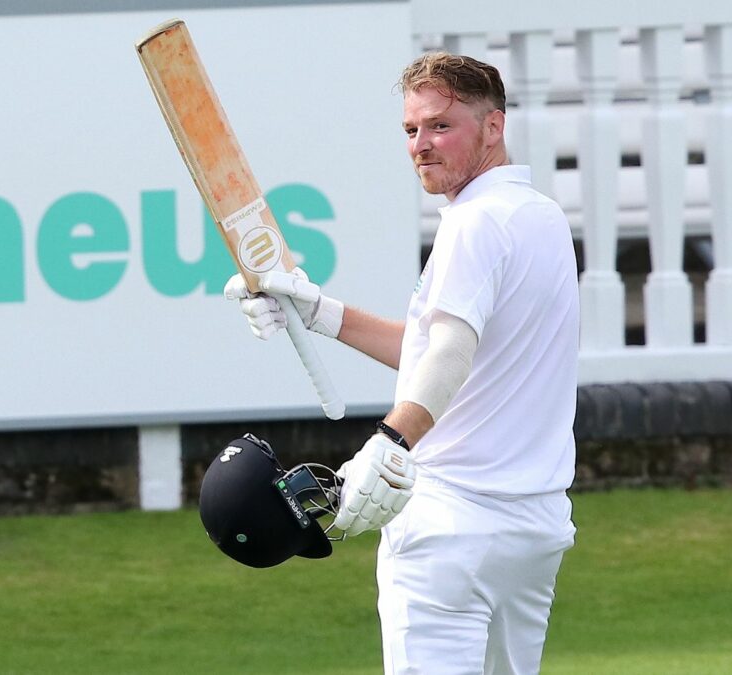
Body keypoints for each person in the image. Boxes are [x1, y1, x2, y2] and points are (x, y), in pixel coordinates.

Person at [225, 52, 579, 675]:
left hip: (450, 523)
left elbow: (449, 353)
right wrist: (317, 310)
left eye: (441, 126)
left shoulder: (472, 224)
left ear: (493, 126)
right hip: (535, 529)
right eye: (411, 130)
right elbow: (436, 356)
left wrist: (392, 442)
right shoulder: (540, 217)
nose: (421, 144)